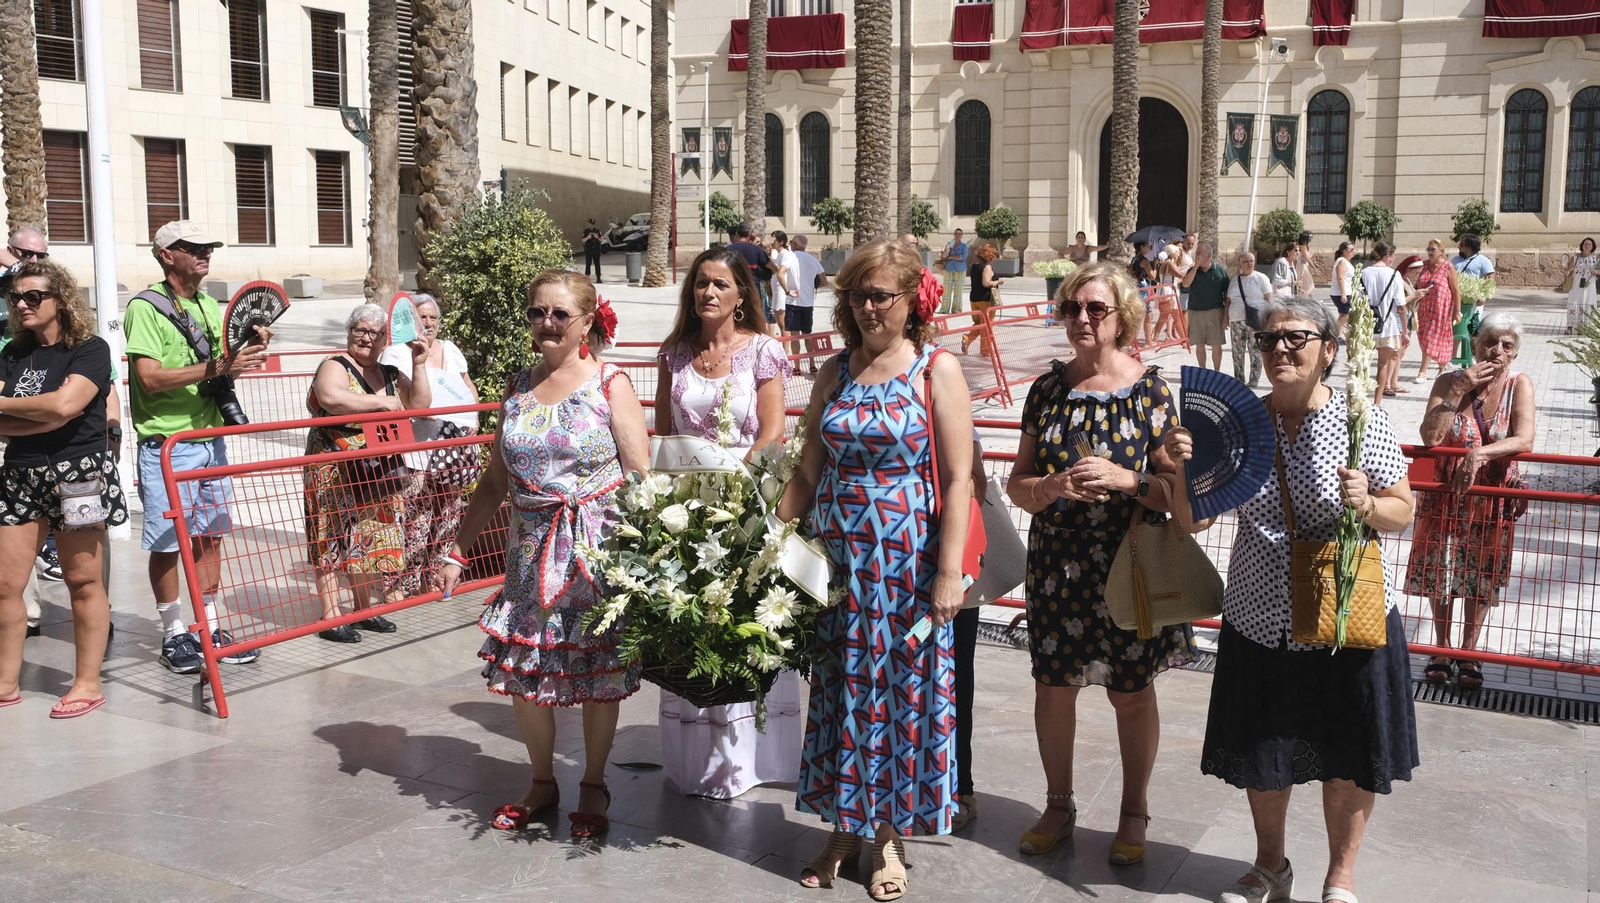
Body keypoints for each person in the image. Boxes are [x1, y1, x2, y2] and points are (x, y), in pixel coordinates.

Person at [1163, 295, 1418, 903]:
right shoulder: (1239, 425)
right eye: (1269, 339)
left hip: (1341, 612)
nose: (1280, 348)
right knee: (1264, 749)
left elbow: (1402, 511)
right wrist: (1180, 471)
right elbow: (1193, 521)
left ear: (1329, 350)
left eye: (1296, 337)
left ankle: (1340, 876)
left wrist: (1368, 503)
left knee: (1348, 752)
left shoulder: (1362, 421)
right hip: (1261, 614)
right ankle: (1270, 867)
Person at [778, 239, 973, 900]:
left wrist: (949, 573)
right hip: (837, 565)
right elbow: (808, 469)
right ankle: (843, 828)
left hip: (905, 567)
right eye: (858, 295)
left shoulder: (934, 370)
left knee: (895, 696)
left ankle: (886, 836)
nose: (868, 307)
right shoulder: (835, 371)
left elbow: (959, 477)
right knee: (839, 691)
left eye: (881, 295)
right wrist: (767, 539)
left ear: (911, 301)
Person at [435, 270, 648, 838]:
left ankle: (594, 784)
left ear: (586, 321)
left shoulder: (610, 384)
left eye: (559, 313)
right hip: (528, 556)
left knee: (598, 669)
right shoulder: (516, 387)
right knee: (525, 667)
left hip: (595, 552)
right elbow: (493, 482)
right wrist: (457, 549)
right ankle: (541, 782)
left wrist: (651, 556)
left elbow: (641, 475)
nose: (547, 323)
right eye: (537, 312)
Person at [1005, 260, 1192, 866]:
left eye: (1095, 308)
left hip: (1126, 563)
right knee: (1053, 687)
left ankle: (1134, 812)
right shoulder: (1046, 391)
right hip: (1057, 564)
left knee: (1130, 693)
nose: (1081, 318)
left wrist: (1126, 479)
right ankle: (1058, 805)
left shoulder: (1150, 393)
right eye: (1072, 308)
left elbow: (1176, 494)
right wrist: (1051, 486)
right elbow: (1017, 483)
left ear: (1122, 317)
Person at [652, 247, 799, 799]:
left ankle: (746, 759)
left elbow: (772, 432)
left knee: (742, 620)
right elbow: (664, 434)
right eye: (700, 283)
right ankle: (694, 761)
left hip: (746, 503)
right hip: (683, 510)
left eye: (720, 284)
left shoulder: (763, 350)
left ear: (741, 296)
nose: (708, 292)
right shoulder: (673, 354)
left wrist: (736, 490)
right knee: (690, 622)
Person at [128, 221, 272, 674]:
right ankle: (174, 632)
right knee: (168, 542)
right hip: (168, 445)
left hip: (211, 441)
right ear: (167, 255)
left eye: (208, 247)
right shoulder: (145, 307)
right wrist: (220, 366)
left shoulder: (209, 305)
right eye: (193, 247)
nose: (204, 253)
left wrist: (247, 356)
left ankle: (208, 625)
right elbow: (149, 380)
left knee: (210, 537)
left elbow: (219, 372)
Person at [0, 261, 126, 718]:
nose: (22, 304)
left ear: (61, 300)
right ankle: (5, 683)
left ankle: (87, 684)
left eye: (34, 296)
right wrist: (44, 416)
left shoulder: (89, 349)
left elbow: (66, 405)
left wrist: (21, 409)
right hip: (20, 474)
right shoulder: (13, 353)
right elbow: (48, 412)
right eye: (16, 297)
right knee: (5, 585)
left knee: (83, 580)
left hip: (79, 476)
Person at [1408, 314, 1533, 690]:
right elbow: (1430, 437)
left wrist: (1478, 455)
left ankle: (1469, 651)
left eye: (1507, 345)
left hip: (1490, 502)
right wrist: (1459, 389)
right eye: (1490, 342)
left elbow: (1524, 438)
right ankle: (1441, 649)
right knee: (1441, 570)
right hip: (1445, 498)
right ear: (1474, 344)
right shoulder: (1448, 381)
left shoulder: (1518, 385)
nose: (1497, 351)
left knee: (1481, 575)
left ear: (1515, 353)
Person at [304, 306, 431, 642]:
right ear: (349, 332)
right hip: (333, 466)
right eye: (360, 330)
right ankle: (331, 616)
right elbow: (330, 397)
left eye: (375, 333)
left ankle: (363, 610)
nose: (366, 338)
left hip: (376, 468)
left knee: (368, 534)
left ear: (385, 339)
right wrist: (380, 404)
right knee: (329, 536)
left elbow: (420, 405)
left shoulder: (389, 373)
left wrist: (418, 363)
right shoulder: (334, 365)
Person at [377, 293, 480, 599]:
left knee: (447, 518)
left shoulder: (450, 350)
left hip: (451, 450)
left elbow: (467, 386)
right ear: (410, 321)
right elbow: (404, 398)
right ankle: (402, 586)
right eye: (422, 316)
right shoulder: (397, 352)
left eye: (434, 317)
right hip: (416, 451)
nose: (429, 322)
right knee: (414, 522)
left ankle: (435, 582)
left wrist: (473, 416)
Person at [1362, 243, 1411, 408]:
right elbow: (1401, 306)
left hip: (1366, 326)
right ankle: (1377, 403)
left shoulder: (1363, 273)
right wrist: (1405, 331)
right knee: (1382, 365)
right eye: (1393, 255)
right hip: (1388, 326)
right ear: (1387, 254)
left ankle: (1360, 399)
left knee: (1362, 364)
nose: (1394, 258)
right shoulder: (1394, 274)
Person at [1412, 240, 1462, 384]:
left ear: (1441, 251)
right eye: (1428, 249)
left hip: (1440, 309)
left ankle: (1422, 372)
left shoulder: (1448, 266)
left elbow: (1455, 290)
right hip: (1423, 309)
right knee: (1426, 337)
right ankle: (1443, 364)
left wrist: (1458, 311)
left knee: (1430, 337)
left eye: (1433, 249)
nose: (1430, 252)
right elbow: (1416, 284)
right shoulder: (1423, 265)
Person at [1226, 252, 1272, 387]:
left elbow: (1269, 299)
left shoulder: (1260, 278)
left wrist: (1269, 319)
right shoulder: (1235, 280)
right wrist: (1225, 318)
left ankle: (1254, 379)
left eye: (1251, 261)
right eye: (1246, 261)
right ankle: (1239, 379)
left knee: (1255, 351)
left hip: (1255, 320)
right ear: (1240, 264)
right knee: (1237, 352)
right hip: (1236, 321)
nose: (1249, 264)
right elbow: (1228, 301)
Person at [1182, 241, 1229, 370]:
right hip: (1196, 311)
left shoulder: (1219, 271)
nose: (1197, 255)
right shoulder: (1192, 270)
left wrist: (1226, 315)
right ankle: (1202, 369)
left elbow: (1227, 294)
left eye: (1200, 253)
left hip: (1215, 311)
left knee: (1216, 344)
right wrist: (1196, 267)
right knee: (1199, 344)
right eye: (1197, 253)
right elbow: (1185, 284)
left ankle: (1216, 371)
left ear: (1209, 255)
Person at [789, 235, 829, 373]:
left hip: (792, 302)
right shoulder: (813, 260)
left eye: (791, 242)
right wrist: (811, 287)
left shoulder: (789, 258)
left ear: (794, 244)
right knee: (807, 334)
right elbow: (824, 281)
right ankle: (812, 365)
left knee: (794, 336)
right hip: (807, 303)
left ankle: (797, 367)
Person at [728, 222, 774, 322]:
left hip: (734, 286)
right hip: (753, 287)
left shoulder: (728, 250)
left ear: (737, 234)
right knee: (754, 317)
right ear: (750, 234)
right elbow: (774, 268)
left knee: (734, 316)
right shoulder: (756, 250)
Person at [963, 243, 1003, 357]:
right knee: (987, 325)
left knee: (978, 323)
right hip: (985, 300)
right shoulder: (987, 267)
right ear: (990, 256)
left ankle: (967, 339)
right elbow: (986, 283)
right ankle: (985, 350)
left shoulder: (974, 266)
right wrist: (999, 282)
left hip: (974, 299)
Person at [1152, 243, 1185, 343]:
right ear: (1172, 253)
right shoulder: (1169, 263)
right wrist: (1188, 271)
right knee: (1174, 316)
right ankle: (1184, 339)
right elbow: (1180, 275)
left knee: (1165, 316)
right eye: (1177, 252)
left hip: (1165, 290)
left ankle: (1155, 338)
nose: (1178, 254)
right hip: (1169, 290)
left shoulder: (1165, 263)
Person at [769, 230, 799, 337]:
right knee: (779, 323)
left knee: (783, 325)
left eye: (774, 240)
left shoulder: (785, 255)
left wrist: (787, 291)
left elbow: (780, 273)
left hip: (781, 292)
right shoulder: (779, 255)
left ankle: (786, 347)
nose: (771, 242)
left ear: (781, 242)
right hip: (776, 291)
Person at [1564, 237, 1597, 333]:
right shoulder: (1575, 257)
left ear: (1592, 246)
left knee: (1587, 303)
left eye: (1589, 244)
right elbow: (1568, 271)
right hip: (1576, 285)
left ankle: (1583, 327)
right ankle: (1570, 327)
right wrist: (1566, 272)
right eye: (1585, 244)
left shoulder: (1595, 258)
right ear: (1582, 246)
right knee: (1573, 302)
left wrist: (1595, 271)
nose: (1587, 246)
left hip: (1589, 285)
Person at [1330, 242, 1356, 347]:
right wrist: (1343, 293)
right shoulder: (1342, 261)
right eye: (1351, 250)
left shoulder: (1345, 261)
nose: (1353, 252)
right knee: (1346, 315)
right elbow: (1340, 278)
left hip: (1344, 292)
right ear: (1344, 251)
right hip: (1340, 292)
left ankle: (1338, 336)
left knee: (1343, 314)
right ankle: (1332, 333)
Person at [941, 228, 970, 314]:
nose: (957, 235)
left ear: (962, 235)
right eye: (956, 233)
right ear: (954, 234)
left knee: (958, 290)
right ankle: (944, 309)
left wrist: (950, 257)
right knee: (946, 290)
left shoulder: (964, 245)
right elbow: (944, 256)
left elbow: (963, 257)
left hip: (960, 269)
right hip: (949, 268)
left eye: (959, 234)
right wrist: (946, 250)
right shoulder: (950, 244)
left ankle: (956, 309)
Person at [581, 219, 604, 283]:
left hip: (596, 250)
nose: (592, 225)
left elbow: (602, 239)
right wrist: (587, 237)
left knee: (597, 264)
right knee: (588, 263)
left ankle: (598, 278)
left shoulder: (597, 231)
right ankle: (587, 278)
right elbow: (582, 240)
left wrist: (597, 237)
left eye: (593, 224)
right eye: (591, 224)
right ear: (588, 224)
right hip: (589, 249)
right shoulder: (586, 231)